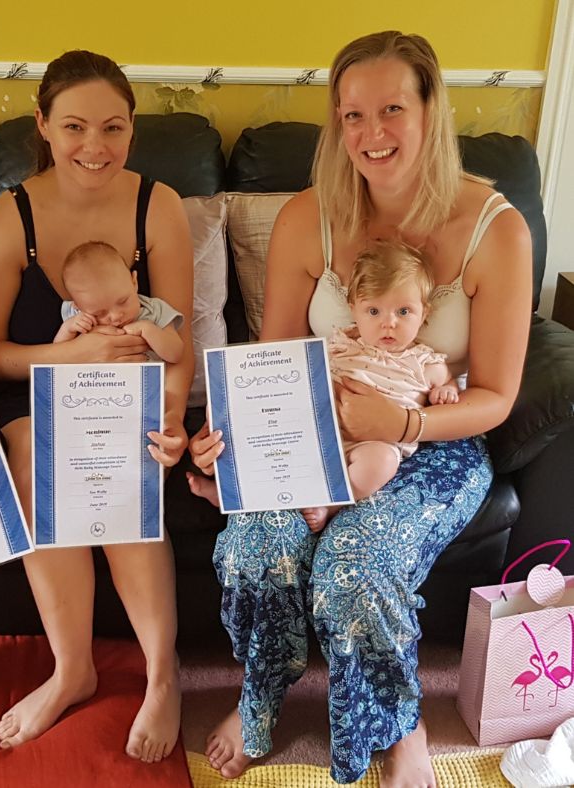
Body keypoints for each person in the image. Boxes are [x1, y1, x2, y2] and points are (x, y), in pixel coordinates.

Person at [186, 31, 531, 787]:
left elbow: (496, 397)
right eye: (352, 116)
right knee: (256, 545)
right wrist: (226, 445)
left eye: (392, 110)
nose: (372, 134)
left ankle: (399, 723)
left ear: (431, 110)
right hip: (314, 431)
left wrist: (403, 424)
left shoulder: (496, 230)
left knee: (355, 564)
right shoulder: (307, 219)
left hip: (436, 441)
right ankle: (258, 698)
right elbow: (272, 370)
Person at [0, 49, 194, 764]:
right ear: (42, 124)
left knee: (125, 464)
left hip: (132, 394)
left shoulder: (157, 205)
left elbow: (178, 341)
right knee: (37, 457)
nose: (94, 146)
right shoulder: (12, 217)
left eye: (113, 128)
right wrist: (71, 356)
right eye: (74, 127)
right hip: (36, 391)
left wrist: (171, 419)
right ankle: (73, 669)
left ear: (132, 130)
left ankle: (163, 675)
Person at [301, 240, 459, 532]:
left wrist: (446, 390)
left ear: (424, 313)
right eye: (374, 311)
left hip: (374, 444)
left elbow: (447, 383)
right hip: (325, 432)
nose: (389, 324)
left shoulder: (423, 361)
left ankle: (334, 502)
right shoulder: (342, 344)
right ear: (354, 311)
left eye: (403, 312)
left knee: (382, 462)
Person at [54, 240, 185, 363]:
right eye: (99, 313)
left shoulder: (154, 310)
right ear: (77, 306)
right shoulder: (79, 320)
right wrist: (67, 330)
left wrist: (149, 330)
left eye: (123, 301)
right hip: (93, 379)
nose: (116, 317)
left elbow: (176, 354)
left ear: (134, 282)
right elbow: (56, 360)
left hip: (143, 378)